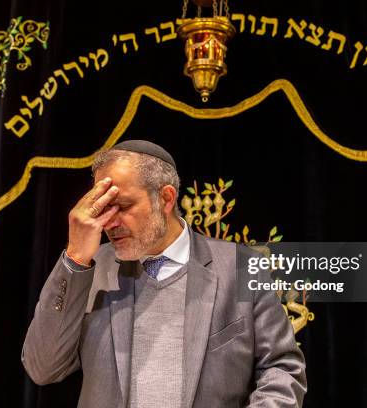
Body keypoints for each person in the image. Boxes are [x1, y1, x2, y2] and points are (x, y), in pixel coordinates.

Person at [21, 140, 307, 407]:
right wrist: (75, 259)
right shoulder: (88, 269)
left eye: (122, 206)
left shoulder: (240, 266)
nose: (110, 223)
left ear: (166, 198)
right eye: (104, 209)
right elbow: (43, 368)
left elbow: (282, 367)